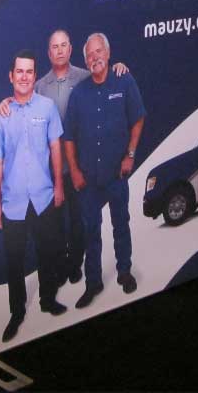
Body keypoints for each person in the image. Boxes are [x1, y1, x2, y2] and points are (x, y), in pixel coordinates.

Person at [0, 30, 128, 285]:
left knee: (79, 220)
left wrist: (119, 67)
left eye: (63, 45)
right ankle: (57, 267)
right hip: (50, 170)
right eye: (54, 47)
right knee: (54, 224)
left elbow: (105, 76)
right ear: (49, 53)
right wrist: (5, 101)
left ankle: (75, 264)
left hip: (80, 166)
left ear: (70, 49)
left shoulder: (85, 76)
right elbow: (21, 99)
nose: (59, 50)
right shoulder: (39, 85)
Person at [0, 50, 67, 343]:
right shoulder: (2, 115)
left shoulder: (47, 107)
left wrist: (59, 185)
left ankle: (48, 300)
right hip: (13, 203)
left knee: (48, 251)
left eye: (29, 71)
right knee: (14, 261)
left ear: (35, 75)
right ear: (11, 76)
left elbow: (55, 147)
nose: (24, 76)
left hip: (43, 197)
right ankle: (17, 312)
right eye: (19, 71)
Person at [64, 32, 146, 309]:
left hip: (116, 175)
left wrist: (130, 155)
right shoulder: (79, 93)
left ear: (108, 54)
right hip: (88, 180)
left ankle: (124, 271)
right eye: (89, 54)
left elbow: (138, 118)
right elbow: (68, 137)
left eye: (98, 51)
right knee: (91, 232)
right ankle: (93, 282)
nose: (94, 57)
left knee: (121, 224)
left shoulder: (124, 81)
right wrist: (74, 171)